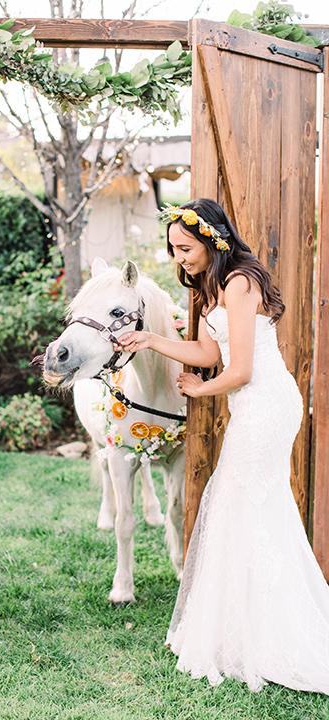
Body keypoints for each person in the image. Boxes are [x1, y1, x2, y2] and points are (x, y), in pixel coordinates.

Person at [116, 198, 329, 693]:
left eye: (185, 248)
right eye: (172, 250)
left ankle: (267, 633)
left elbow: (239, 371)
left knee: (239, 502)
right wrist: (150, 342)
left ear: (212, 240)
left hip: (267, 406)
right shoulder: (214, 287)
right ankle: (247, 626)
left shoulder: (239, 283)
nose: (179, 259)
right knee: (246, 507)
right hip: (252, 407)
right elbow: (210, 352)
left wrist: (197, 389)